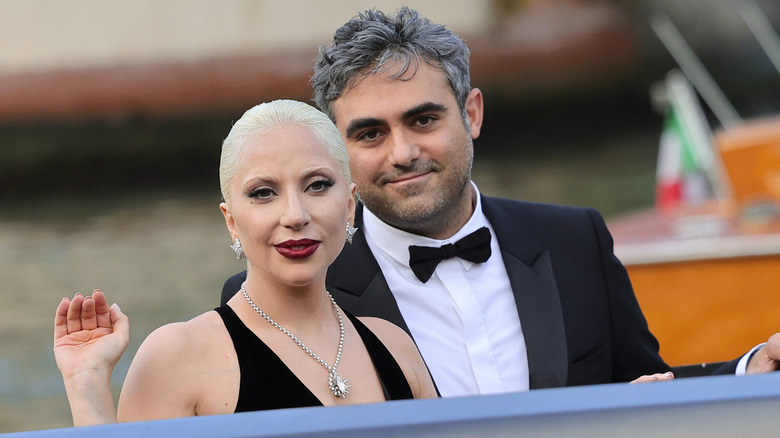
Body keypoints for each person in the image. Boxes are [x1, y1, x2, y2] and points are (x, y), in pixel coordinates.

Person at [222, 8, 779, 396]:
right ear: (338, 151)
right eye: (370, 134)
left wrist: (750, 370)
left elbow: (644, 390)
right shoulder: (279, 285)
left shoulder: (574, 240)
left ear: (472, 114)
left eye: (423, 119)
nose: (403, 151)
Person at [54, 99, 436, 426]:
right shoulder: (176, 357)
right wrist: (85, 384)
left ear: (350, 205)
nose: (294, 215)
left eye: (317, 185)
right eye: (263, 193)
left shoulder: (395, 347)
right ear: (231, 221)